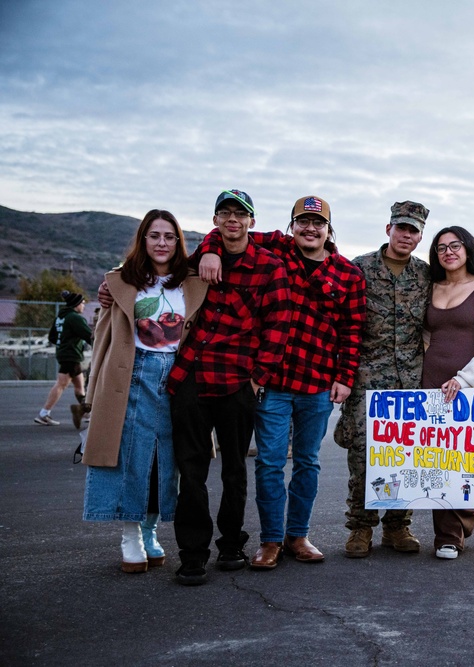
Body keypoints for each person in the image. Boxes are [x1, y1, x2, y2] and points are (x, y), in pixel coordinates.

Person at [196, 195, 365, 570]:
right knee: (270, 463)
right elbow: (232, 231)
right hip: (271, 380)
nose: (310, 228)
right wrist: (209, 249)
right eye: (302, 222)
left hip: (318, 383)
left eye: (317, 223)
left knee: (307, 462)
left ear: (328, 229)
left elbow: (352, 331)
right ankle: (270, 540)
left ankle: (297, 535)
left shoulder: (347, 274)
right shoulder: (274, 248)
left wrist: (345, 377)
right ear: (292, 226)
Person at [168, 189, 291, 586]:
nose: (232, 219)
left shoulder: (269, 267)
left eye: (241, 213)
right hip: (192, 373)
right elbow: (154, 284)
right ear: (216, 220)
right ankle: (192, 553)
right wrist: (109, 290)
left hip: (239, 381)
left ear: (251, 221)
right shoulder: (197, 261)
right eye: (225, 213)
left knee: (235, 470)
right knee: (191, 470)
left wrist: (258, 379)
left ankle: (231, 544)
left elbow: (278, 327)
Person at [83, 210, 208, 572]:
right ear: (143, 240)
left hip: (179, 378)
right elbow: (103, 335)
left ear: (178, 242)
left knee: (166, 460)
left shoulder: (193, 281)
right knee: (130, 457)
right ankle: (130, 536)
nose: (162, 243)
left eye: (169, 236)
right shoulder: (122, 281)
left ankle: (151, 530)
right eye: (154, 236)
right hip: (131, 374)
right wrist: (93, 389)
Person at [335, 201, 431, 558]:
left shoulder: (425, 275)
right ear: (388, 228)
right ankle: (360, 527)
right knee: (363, 457)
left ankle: (397, 525)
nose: (406, 235)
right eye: (401, 227)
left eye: (414, 230)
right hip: (365, 379)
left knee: (406, 455)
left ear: (420, 236)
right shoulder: (358, 269)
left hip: (410, 380)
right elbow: (341, 323)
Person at [422, 226, 474, 560]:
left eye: (455, 245)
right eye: (441, 247)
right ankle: (447, 536)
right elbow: (425, 336)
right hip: (430, 385)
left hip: (468, 389)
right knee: (438, 462)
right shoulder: (431, 288)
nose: (448, 252)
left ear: (468, 249)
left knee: (470, 462)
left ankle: (463, 521)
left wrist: (466, 379)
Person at [35, 291, 93, 426]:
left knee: (79, 385)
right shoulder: (75, 318)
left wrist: (64, 342)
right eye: (83, 303)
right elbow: (89, 335)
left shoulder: (60, 317)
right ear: (76, 304)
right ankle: (44, 413)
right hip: (71, 355)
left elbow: (52, 337)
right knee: (62, 384)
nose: (84, 306)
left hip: (65, 353)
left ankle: (86, 412)